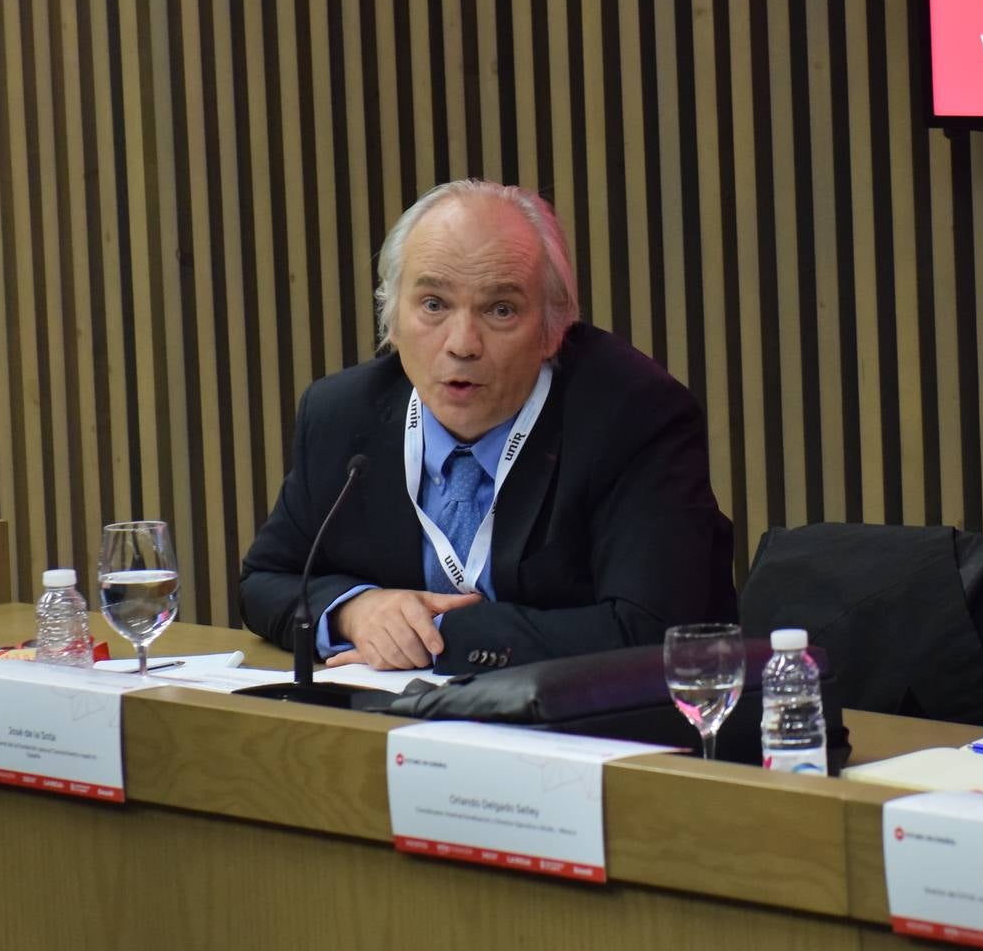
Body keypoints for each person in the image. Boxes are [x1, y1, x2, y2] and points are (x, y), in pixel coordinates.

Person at [240, 179, 736, 673]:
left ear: (552, 329)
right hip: (392, 732)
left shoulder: (634, 417)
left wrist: (439, 635)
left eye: (500, 310)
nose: (462, 344)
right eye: (433, 304)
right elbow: (265, 579)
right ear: (391, 319)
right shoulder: (343, 415)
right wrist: (356, 610)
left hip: (590, 736)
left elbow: (654, 633)